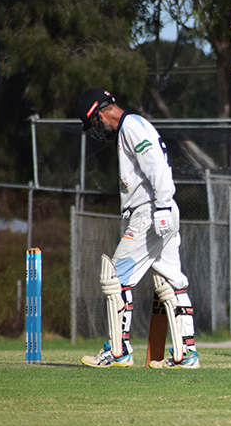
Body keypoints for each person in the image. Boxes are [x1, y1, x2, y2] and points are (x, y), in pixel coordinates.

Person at [76, 88, 200, 369]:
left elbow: (157, 168)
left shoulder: (130, 127)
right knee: (171, 281)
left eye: (94, 124)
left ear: (100, 114)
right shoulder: (132, 126)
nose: (98, 131)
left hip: (150, 212)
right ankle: (186, 354)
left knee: (115, 278)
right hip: (158, 210)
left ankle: (118, 351)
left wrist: (163, 207)